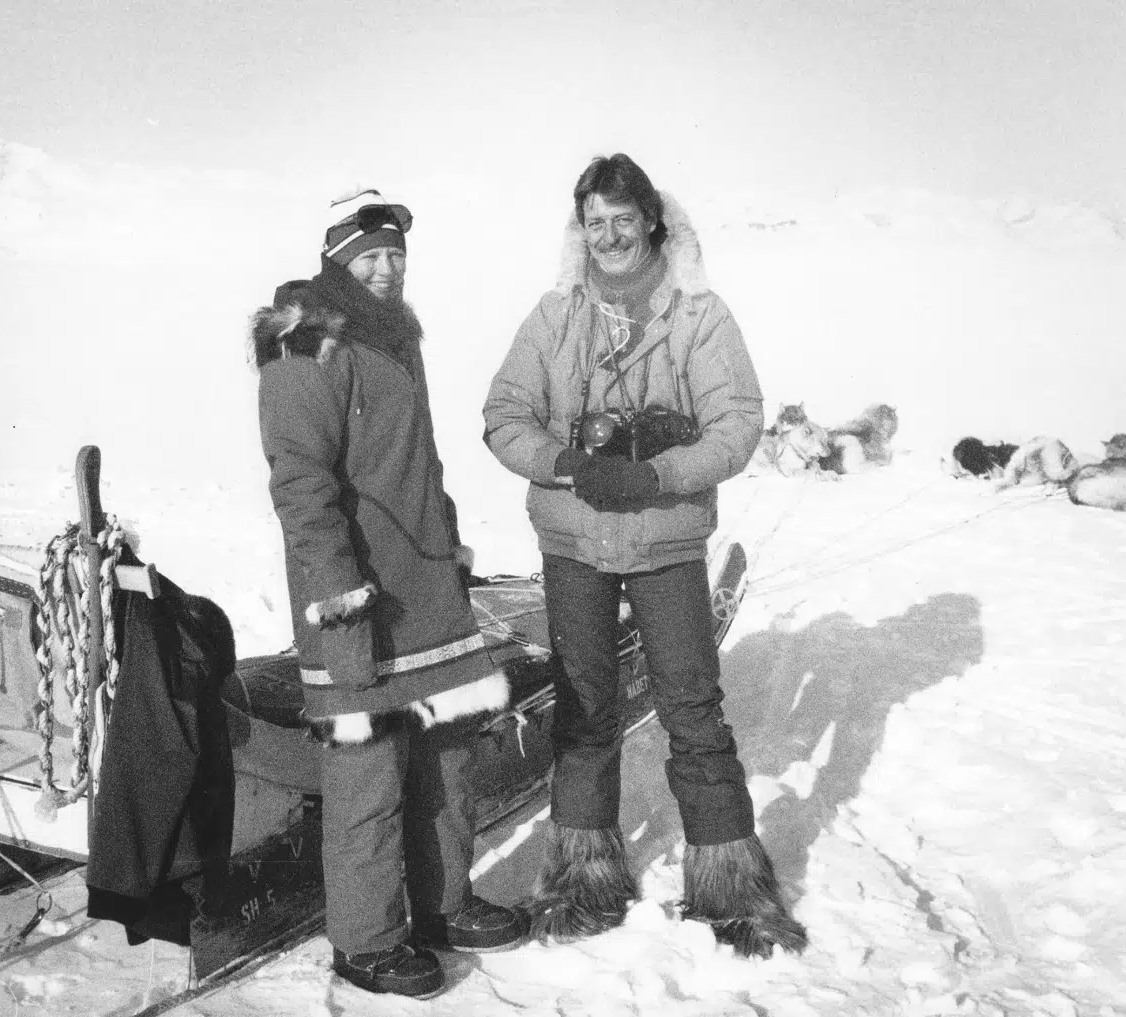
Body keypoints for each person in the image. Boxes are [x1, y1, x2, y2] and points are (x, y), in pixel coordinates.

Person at [481, 155, 808, 958]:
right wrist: (569, 464)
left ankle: (732, 886)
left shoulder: (697, 315)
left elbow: (737, 423)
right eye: (596, 221)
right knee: (583, 709)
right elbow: (503, 414)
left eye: (624, 218)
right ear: (580, 229)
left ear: (653, 222)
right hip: (574, 539)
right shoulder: (555, 316)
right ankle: (582, 880)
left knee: (692, 707)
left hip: (664, 539)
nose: (611, 235)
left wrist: (659, 470)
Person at [251, 188, 527, 998]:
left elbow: (419, 462)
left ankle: (443, 906)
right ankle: (366, 943)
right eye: (368, 256)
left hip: (425, 588)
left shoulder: (397, 334)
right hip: (358, 596)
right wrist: (338, 596)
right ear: (337, 262)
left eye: (394, 255)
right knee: (366, 774)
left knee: (445, 757)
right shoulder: (307, 341)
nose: (384, 267)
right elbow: (302, 485)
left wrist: (446, 543)